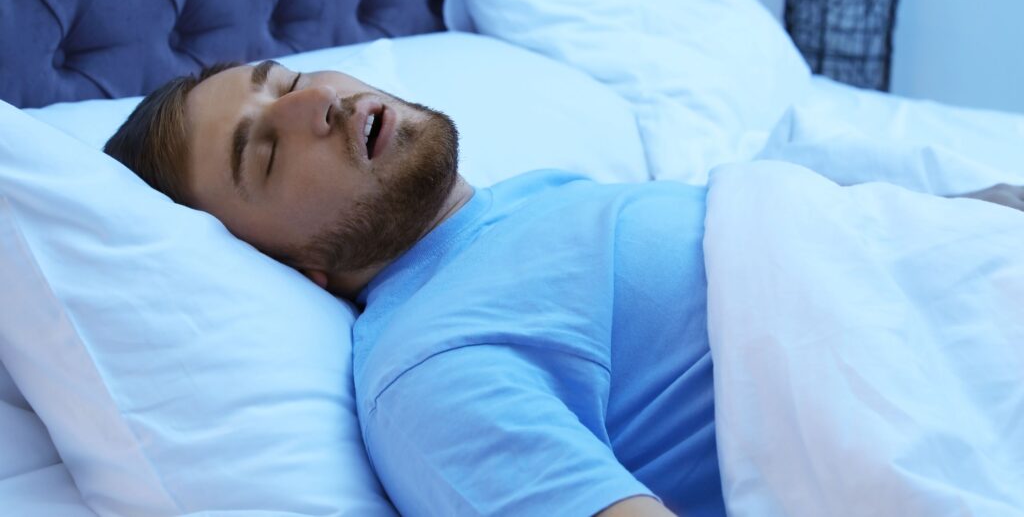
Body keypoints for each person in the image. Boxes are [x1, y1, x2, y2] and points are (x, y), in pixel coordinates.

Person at [104, 60, 1023, 517]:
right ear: (292, 267)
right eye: (264, 151)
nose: (318, 103)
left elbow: (860, 243)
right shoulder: (428, 371)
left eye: (292, 78)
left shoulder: (528, 202)